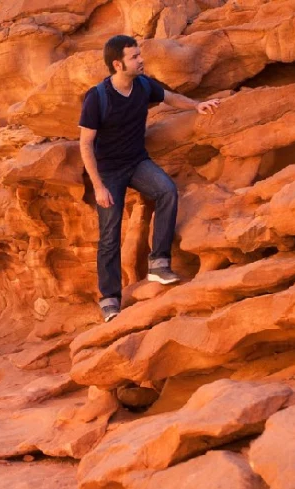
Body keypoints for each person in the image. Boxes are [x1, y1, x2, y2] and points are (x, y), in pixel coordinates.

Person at [79, 35, 221, 323]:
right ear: (118, 64)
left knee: (167, 190)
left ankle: (158, 263)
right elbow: (85, 144)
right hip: (108, 171)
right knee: (109, 234)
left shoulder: (143, 85)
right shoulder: (98, 97)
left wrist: (196, 105)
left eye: (139, 54)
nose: (141, 60)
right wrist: (98, 186)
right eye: (134, 57)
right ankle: (109, 299)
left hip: (137, 162)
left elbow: (170, 97)